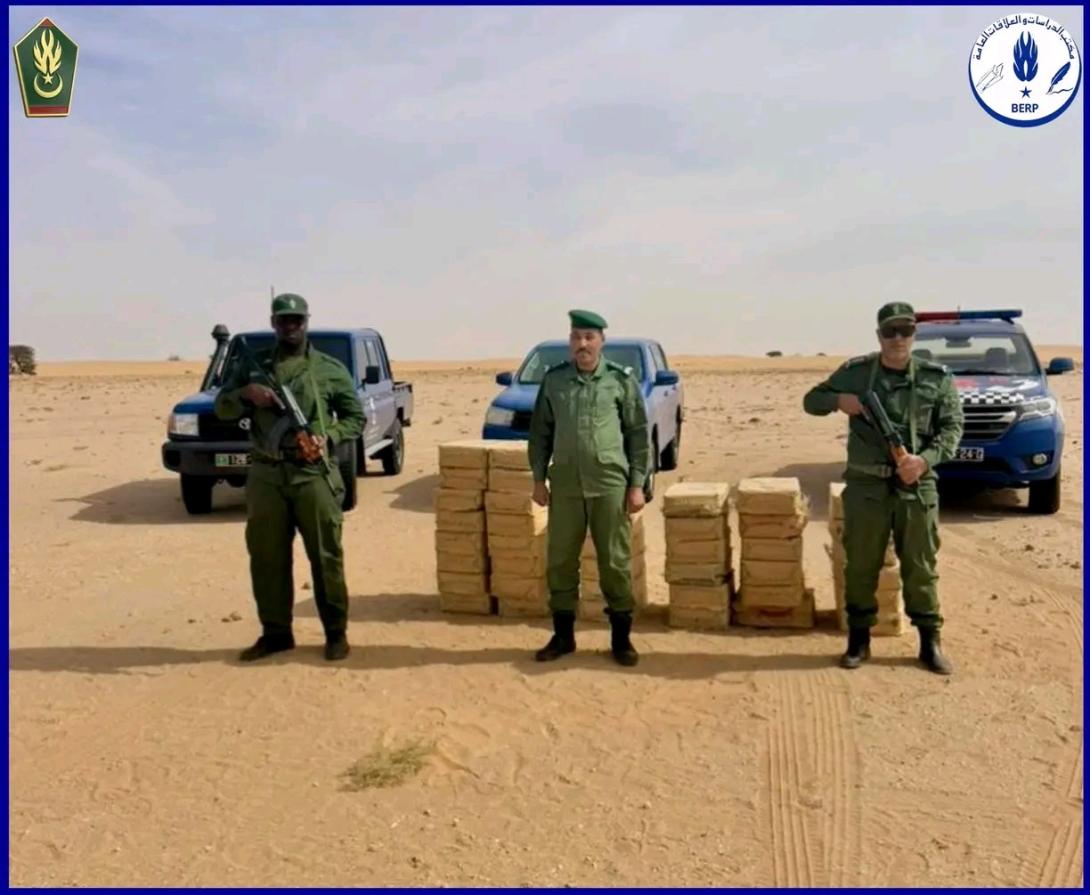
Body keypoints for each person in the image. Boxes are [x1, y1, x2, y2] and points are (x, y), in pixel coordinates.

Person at [803, 301, 964, 674]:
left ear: (914, 334)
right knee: (861, 565)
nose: (897, 338)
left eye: (904, 330)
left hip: (917, 485)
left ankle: (930, 642)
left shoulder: (936, 378)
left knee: (921, 565)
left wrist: (923, 461)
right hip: (866, 487)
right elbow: (811, 401)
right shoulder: (856, 373)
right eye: (890, 331)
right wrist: (839, 401)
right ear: (879, 336)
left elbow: (952, 428)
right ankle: (859, 640)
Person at [214, 293, 364, 662]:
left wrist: (328, 437)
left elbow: (355, 418)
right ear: (273, 323)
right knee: (267, 558)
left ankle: (336, 633)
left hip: (311, 474)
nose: (290, 326)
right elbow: (222, 407)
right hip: (266, 473)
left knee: (326, 556)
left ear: (306, 321)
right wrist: (246, 394)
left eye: (297, 319)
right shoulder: (253, 367)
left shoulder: (329, 369)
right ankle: (276, 634)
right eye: (283, 320)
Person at [528, 309, 651, 667]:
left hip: (609, 484)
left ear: (601, 342)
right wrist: (538, 478)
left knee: (614, 561)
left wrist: (637, 485)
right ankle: (563, 636)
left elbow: (637, 435)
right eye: (576, 336)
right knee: (561, 561)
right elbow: (540, 432)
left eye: (588, 337)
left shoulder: (620, 381)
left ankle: (621, 639)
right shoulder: (555, 381)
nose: (582, 344)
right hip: (566, 485)